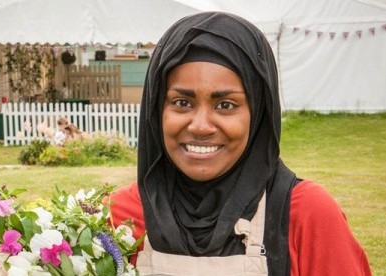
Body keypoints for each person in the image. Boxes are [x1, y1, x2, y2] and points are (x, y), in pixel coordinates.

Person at [109, 12, 371, 275]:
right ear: (156, 110)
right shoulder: (119, 217)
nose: (201, 126)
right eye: (182, 103)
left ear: (258, 114)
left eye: (225, 105)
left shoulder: (306, 215)